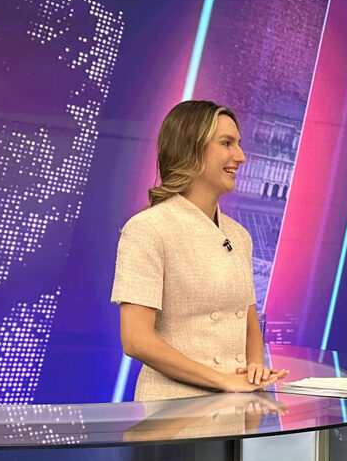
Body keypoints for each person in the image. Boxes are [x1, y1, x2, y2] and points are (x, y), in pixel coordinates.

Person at [112, 100, 288, 400]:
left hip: (234, 402)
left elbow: (248, 321)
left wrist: (255, 368)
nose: (241, 156)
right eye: (226, 143)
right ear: (190, 149)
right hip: (172, 408)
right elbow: (136, 340)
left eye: (238, 144)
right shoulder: (147, 229)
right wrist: (222, 380)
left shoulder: (239, 235)